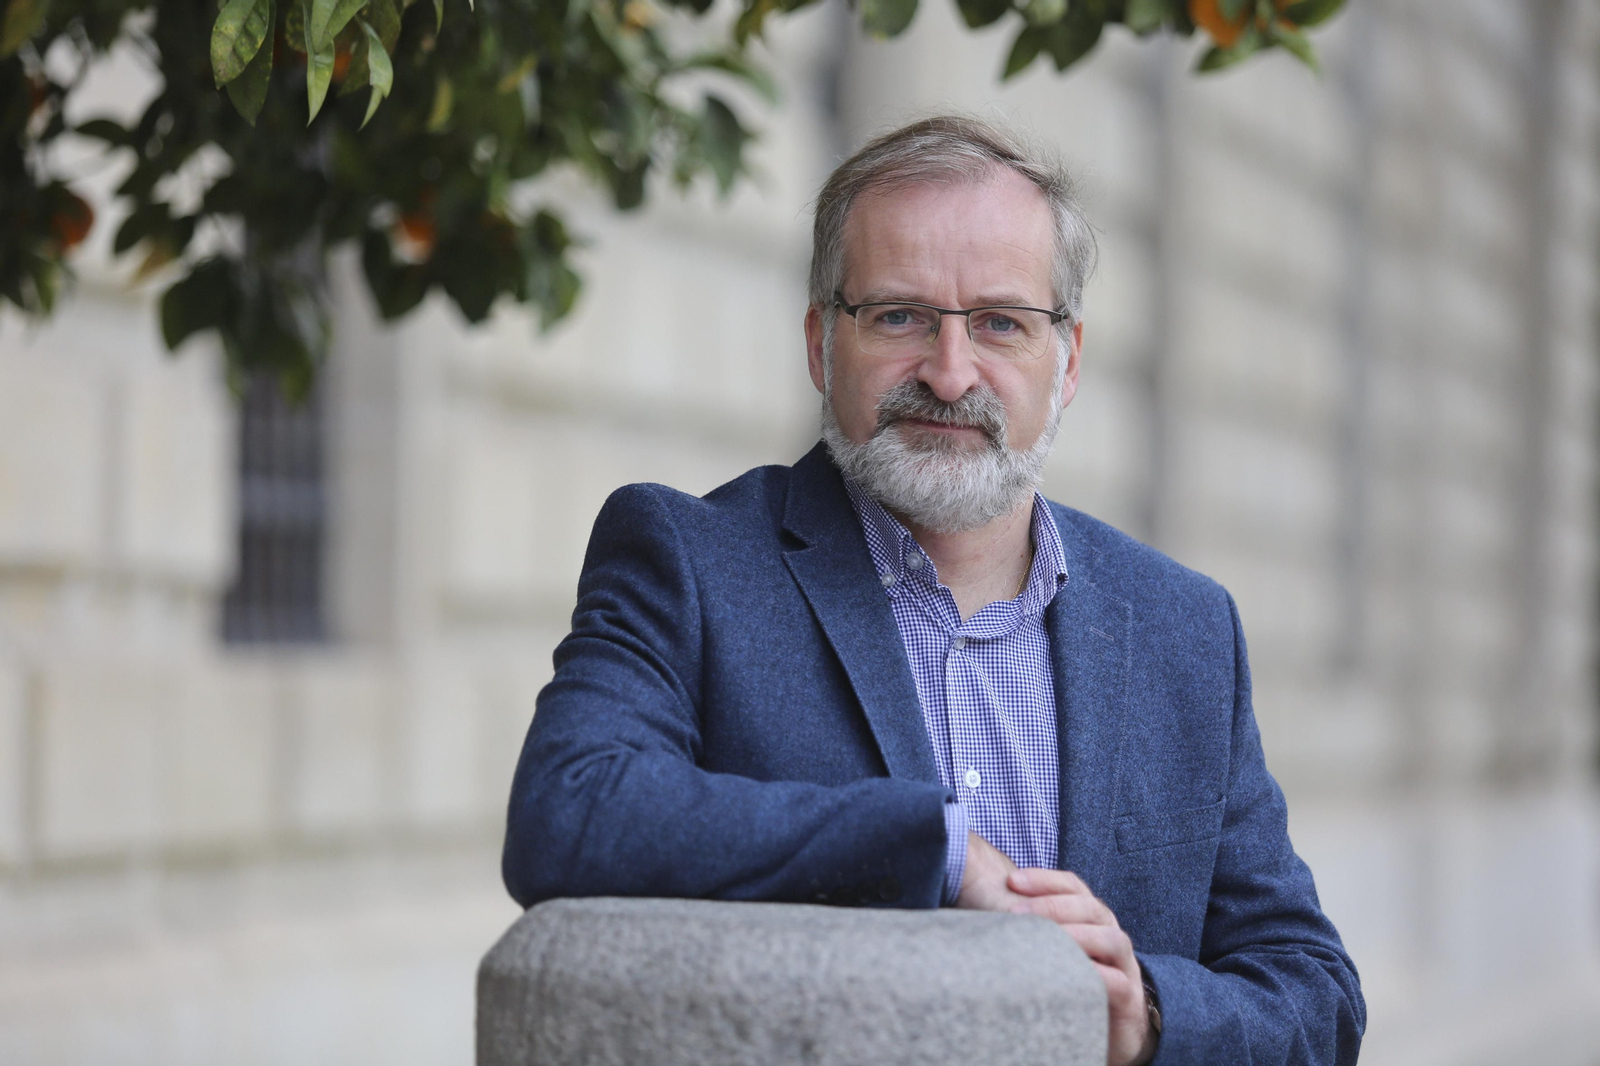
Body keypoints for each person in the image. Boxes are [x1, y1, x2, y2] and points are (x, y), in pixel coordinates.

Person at [502, 115, 1364, 1066]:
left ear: (1068, 359)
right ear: (822, 344)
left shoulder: (1183, 629)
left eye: (1001, 321)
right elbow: (569, 813)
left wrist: (1152, 1015)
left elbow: (1314, 995)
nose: (951, 375)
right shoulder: (690, 561)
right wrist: (936, 855)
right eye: (899, 315)